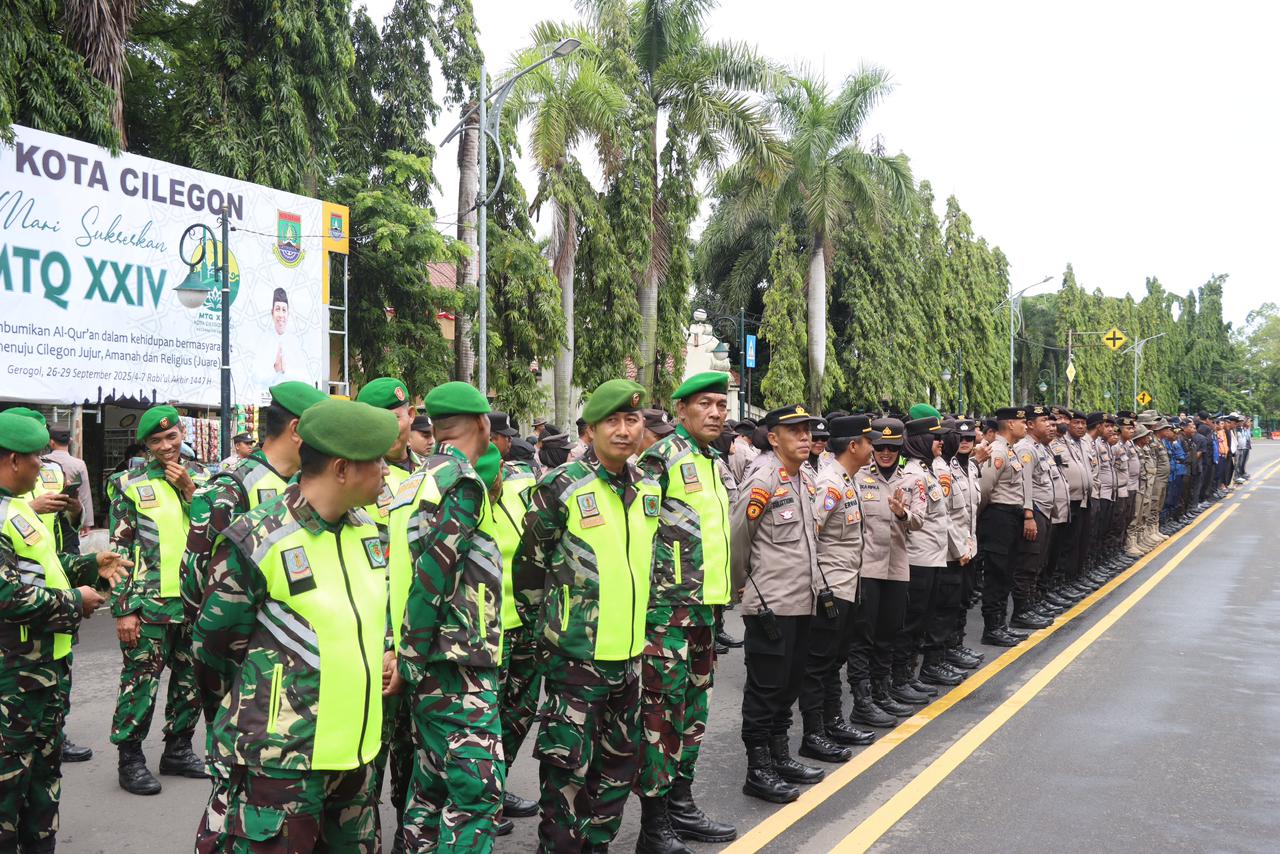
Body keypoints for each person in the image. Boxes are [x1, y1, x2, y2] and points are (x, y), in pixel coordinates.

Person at [191, 399, 397, 852]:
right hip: (280, 764)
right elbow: (213, 654)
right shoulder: (256, 539)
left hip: (355, 757)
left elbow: (375, 615)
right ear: (341, 469)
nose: (386, 470)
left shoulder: (370, 532)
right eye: (377, 461)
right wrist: (254, 717)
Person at [515, 379, 659, 851]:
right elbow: (528, 569)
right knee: (567, 773)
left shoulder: (648, 488)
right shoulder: (562, 485)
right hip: (576, 660)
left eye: (632, 420)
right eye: (611, 421)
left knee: (617, 770)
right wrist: (551, 637)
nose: (623, 430)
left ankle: (596, 846)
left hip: (630, 658)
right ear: (591, 429)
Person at [0, 411, 128, 853]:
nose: (43, 467)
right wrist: (77, 601)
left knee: (42, 784)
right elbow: (8, 596)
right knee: (6, 791)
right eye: (37, 458)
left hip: (41, 675)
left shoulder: (18, 508)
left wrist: (91, 564)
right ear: (13, 460)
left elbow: (45, 569)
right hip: (11, 682)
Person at [386, 382, 502, 853]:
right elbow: (435, 573)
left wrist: (403, 651)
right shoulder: (461, 481)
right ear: (482, 425)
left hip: (428, 659)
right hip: (456, 662)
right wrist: (411, 657)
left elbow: (400, 572)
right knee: (476, 794)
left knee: (430, 791)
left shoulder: (416, 481)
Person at [634, 372, 738, 851]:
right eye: (705, 404)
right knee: (662, 717)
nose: (716, 413)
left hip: (704, 611)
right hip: (667, 613)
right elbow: (639, 531)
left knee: (694, 712)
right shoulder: (662, 458)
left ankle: (681, 804)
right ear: (681, 410)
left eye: (721, 404)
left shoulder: (711, 460)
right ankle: (653, 826)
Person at [108, 404, 211, 795]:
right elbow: (118, 551)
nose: (167, 446)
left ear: (182, 432)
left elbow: (217, 530)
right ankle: (130, 758)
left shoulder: (206, 479)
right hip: (148, 605)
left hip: (195, 602)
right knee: (140, 684)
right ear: (146, 446)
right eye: (156, 441)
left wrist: (189, 490)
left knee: (191, 681)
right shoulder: (128, 483)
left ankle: (178, 749)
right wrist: (124, 609)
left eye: (171, 437)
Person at [731, 404, 826, 804]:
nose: (805, 438)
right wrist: (741, 587)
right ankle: (758, 769)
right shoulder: (763, 478)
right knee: (766, 689)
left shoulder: (805, 476)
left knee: (789, 684)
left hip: (802, 600)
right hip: (770, 603)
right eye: (795, 432)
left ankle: (779, 755)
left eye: (807, 431)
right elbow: (739, 536)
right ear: (773, 438)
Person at [796, 415, 878, 763]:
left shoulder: (848, 479)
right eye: (869, 442)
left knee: (834, 660)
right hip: (830, 588)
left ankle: (833, 722)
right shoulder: (830, 484)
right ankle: (813, 734)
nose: (874, 449)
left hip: (847, 585)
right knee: (818, 664)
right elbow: (810, 535)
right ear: (853, 446)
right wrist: (820, 586)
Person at [473, 445, 542, 835]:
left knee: (521, 712)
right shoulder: (468, 506)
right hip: (487, 634)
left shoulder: (518, 492)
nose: (499, 477)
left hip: (524, 625)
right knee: (487, 720)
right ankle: (483, 799)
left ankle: (498, 785)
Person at [846, 418, 919, 724]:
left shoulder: (911, 480)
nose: (886, 453)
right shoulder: (858, 478)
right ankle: (862, 700)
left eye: (892, 448)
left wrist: (903, 514)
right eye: (880, 448)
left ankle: (882, 691)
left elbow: (920, 521)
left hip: (897, 567)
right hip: (867, 568)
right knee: (863, 636)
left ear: (900, 449)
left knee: (889, 633)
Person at [895, 414, 958, 692]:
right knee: (911, 621)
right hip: (918, 559)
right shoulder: (913, 475)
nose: (941, 442)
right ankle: (901, 677)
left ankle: (910, 674)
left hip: (932, 557)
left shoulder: (927, 471)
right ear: (922, 440)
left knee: (922, 620)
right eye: (935, 438)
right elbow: (906, 519)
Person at [977, 407, 1033, 647]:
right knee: (996, 575)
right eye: (1022, 422)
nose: (1026, 426)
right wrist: (984, 516)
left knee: (1006, 573)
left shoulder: (1010, 450)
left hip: (1010, 517)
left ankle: (1001, 625)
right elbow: (985, 489)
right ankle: (992, 628)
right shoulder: (998, 451)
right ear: (1010, 424)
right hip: (998, 517)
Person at [940, 420, 983, 670]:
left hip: (969, 545)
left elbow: (973, 509)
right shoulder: (945, 468)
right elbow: (944, 515)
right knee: (948, 603)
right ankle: (946, 650)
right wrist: (959, 549)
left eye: (969, 439)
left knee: (963, 599)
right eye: (960, 438)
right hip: (952, 550)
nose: (965, 443)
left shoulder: (971, 467)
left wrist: (969, 546)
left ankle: (957, 643)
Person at [46, 427, 92, 537]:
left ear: (51, 442)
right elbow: (84, 493)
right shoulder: (79, 464)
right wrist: (86, 522)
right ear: (70, 441)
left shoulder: (44, 461)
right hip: (70, 513)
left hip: (47, 512)